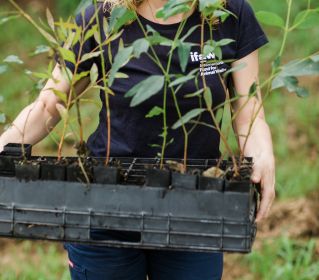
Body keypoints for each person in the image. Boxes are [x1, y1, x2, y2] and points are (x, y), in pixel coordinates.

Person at [0, 0, 275, 279]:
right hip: (105, 207)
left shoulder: (227, 14)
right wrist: (5, 143)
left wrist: (264, 156)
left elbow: (248, 111)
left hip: (196, 208)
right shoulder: (104, 15)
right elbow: (50, 103)